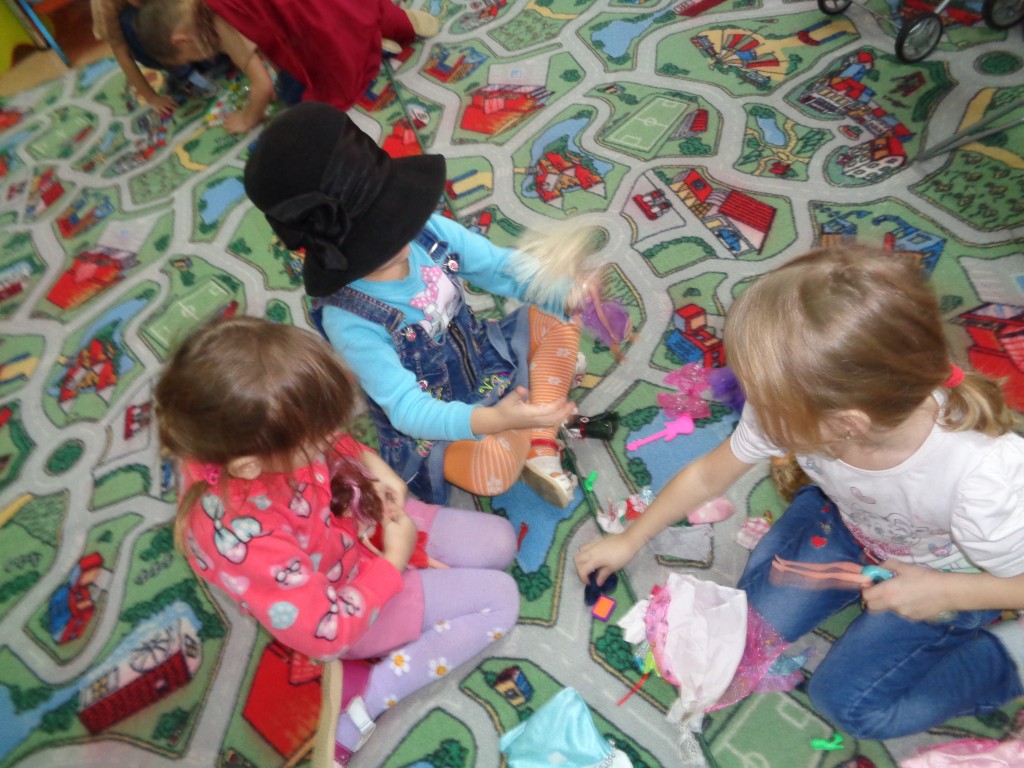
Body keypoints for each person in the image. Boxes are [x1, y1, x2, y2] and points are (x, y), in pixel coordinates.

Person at [575, 245, 1024, 740]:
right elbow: (707, 476)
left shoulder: (985, 481)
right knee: (743, 632)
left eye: (767, 402)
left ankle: (1010, 656)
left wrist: (944, 591)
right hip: (856, 525)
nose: (756, 412)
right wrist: (630, 539)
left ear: (847, 423)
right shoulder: (800, 408)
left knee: (849, 705)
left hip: (952, 575)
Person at [155, 316, 520, 764]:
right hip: (347, 603)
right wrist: (394, 560)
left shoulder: (260, 437)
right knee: (501, 600)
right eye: (319, 435)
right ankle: (366, 698)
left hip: (352, 520)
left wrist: (371, 467)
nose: (332, 435)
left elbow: (328, 442)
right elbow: (325, 630)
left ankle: (403, 588)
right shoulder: (244, 540)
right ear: (249, 464)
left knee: (500, 542)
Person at [243, 102, 584, 507]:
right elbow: (408, 410)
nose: (400, 234)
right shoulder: (347, 319)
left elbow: (498, 267)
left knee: (560, 316)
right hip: (435, 421)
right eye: (379, 233)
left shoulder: (427, 231)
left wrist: (562, 290)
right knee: (493, 469)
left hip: (487, 361)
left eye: (396, 213)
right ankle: (535, 413)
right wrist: (493, 420)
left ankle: (538, 439)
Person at [135, 0, 438, 133]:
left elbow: (263, 86)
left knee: (292, 96)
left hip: (329, 26)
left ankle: (370, 44)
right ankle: (378, 27)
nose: (202, 59)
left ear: (182, 41)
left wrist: (248, 118)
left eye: (191, 58)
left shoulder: (215, 19)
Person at [91, 0, 222, 116]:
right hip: (151, 46)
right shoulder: (105, 7)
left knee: (218, 60)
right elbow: (123, 55)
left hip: (178, 26)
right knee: (130, 20)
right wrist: (151, 98)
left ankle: (196, 62)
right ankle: (187, 76)